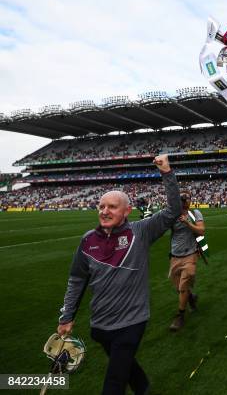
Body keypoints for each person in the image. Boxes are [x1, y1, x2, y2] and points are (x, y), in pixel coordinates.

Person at [56, 154, 181, 395]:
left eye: (112, 207)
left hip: (133, 321)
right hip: (100, 324)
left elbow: (173, 211)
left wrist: (167, 173)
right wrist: (66, 317)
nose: (104, 211)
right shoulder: (87, 240)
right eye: (101, 206)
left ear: (127, 211)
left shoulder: (141, 232)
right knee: (124, 366)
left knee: (114, 381)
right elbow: (76, 281)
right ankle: (143, 387)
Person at [168, 192, 205, 331]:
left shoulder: (195, 213)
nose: (184, 201)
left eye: (186, 198)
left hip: (190, 254)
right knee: (180, 288)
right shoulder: (172, 215)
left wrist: (187, 222)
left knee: (183, 286)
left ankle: (180, 316)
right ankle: (191, 297)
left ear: (190, 200)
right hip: (174, 255)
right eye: (181, 199)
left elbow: (201, 231)